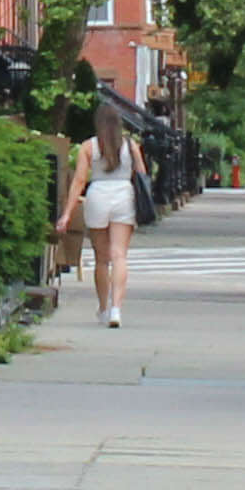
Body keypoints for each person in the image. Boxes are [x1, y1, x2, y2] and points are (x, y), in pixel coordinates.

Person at [60, 105, 141, 327]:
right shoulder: (130, 146)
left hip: (97, 196)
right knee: (119, 256)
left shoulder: (89, 147)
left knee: (101, 259)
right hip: (123, 196)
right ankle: (117, 309)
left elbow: (79, 181)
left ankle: (103, 308)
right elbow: (141, 174)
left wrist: (66, 214)